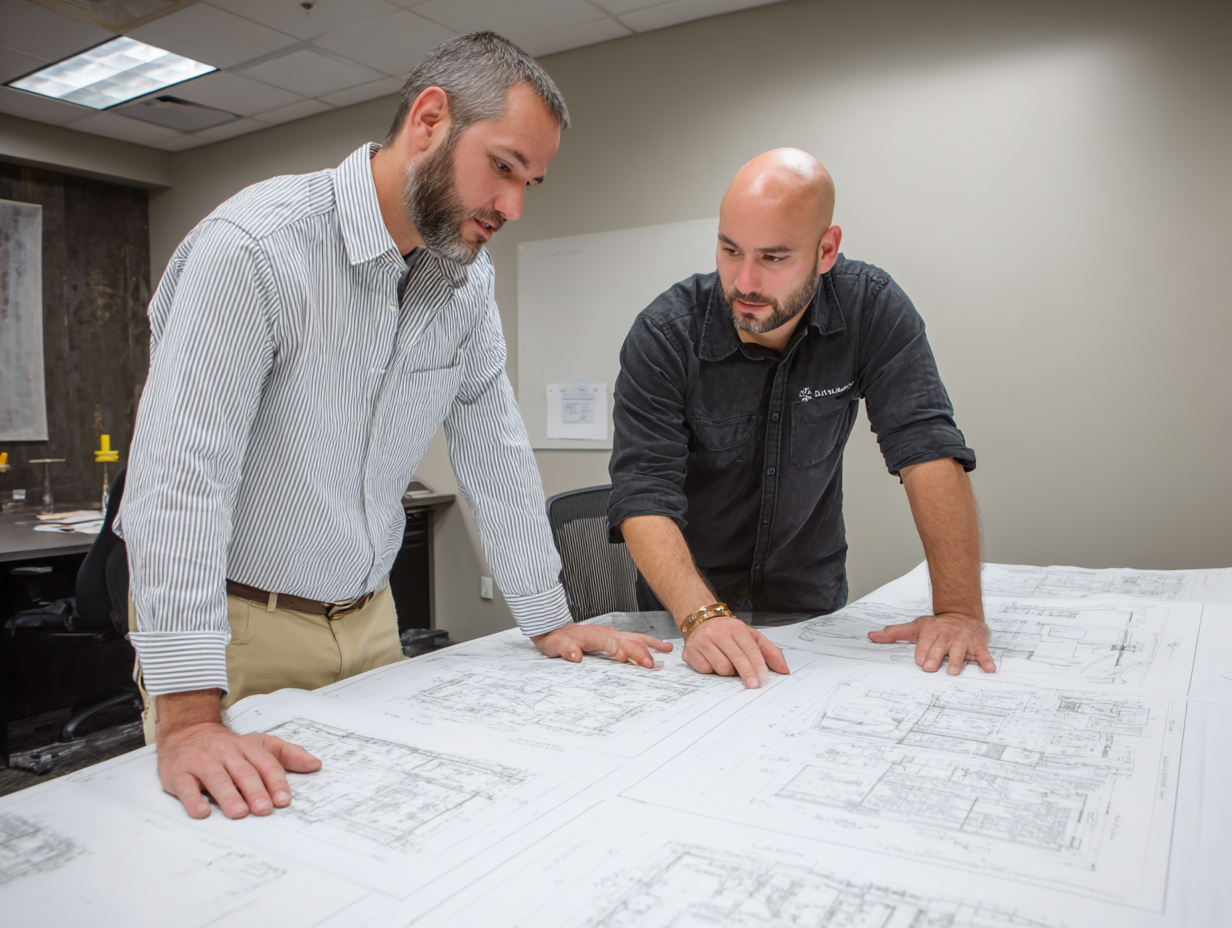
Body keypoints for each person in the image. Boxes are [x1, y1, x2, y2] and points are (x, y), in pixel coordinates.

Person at [117, 32, 670, 822]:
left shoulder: (464, 288)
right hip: (235, 635)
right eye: (504, 167)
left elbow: (496, 451)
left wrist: (550, 618)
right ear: (430, 120)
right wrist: (190, 715)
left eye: (530, 182)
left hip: (372, 623)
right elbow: (178, 482)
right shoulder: (254, 249)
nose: (513, 206)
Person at [608, 148, 994, 690]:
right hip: (686, 614)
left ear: (826, 249)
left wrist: (957, 611)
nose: (744, 282)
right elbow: (643, 492)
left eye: (773, 258)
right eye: (729, 249)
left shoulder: (871, 308)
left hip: (811, 608)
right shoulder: (665, 334)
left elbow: (926, 448)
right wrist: (702, 615)